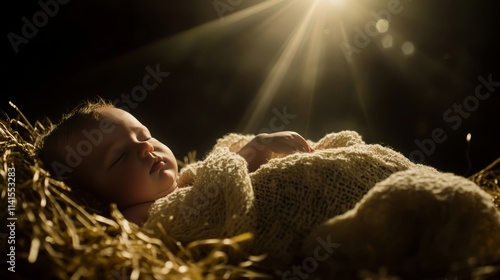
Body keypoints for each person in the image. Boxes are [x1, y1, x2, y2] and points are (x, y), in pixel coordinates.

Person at [37, 98, 500, 278]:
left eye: (144, 135)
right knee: (420, 212)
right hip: (326, 220)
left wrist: (251, 149)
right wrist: (246, 154)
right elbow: (210, 207)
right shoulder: (136, 224)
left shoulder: (193, 171)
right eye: (119, 156)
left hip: (349, 184)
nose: (145, 150)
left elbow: (214, 164)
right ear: (98, 199)